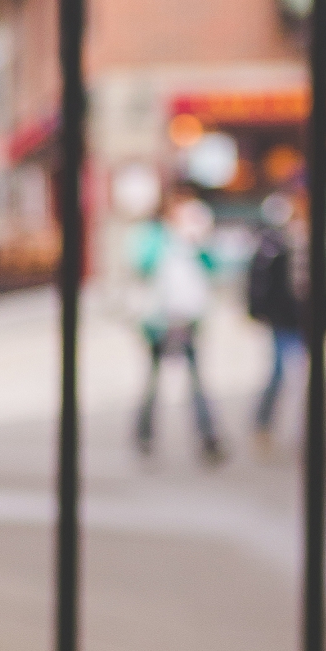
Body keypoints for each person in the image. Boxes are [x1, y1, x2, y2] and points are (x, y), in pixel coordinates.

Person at [129, 191, 226, 461]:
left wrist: (199, 243)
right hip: (158, 319)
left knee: (197, 381)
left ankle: (208, 437)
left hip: (190, 318)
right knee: (153, 381)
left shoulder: (195, 241)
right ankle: (144, 434)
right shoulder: (155, 236)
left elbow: (213, 268)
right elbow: (142, 264)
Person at [246, 188, 326, 440]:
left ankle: (312, 431)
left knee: (313, 378)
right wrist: (261, 312)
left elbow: (325, 284)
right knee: (280, 374)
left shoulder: (314, 243)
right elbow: (261, 283)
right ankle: (263, 425)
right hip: (284, 319)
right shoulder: (274, 245)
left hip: (308, 318)